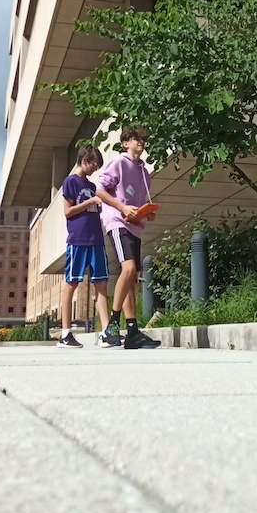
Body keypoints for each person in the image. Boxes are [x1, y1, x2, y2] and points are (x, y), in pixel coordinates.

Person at [96, 127, 161, 349]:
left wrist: (146, 213)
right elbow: (100, 191)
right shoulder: (119, 163)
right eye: (136, 139)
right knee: (129, 268)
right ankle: (112, 326)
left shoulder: (144, 172)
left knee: (131, 277)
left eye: (143, 139)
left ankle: (132, 331)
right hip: (117, 222)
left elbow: (138, 200)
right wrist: (122, 207)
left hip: (134, 227)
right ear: (125, 143)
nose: (141, 142)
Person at [57, 145, 114, 349]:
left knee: (101, 283)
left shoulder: (92, 185)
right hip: (78, 239)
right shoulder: (70, 181)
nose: (95, 169)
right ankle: (65, 333)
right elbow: (68, 211)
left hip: (96, 239)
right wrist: (90, 201)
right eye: (93, 164)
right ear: (84, 161)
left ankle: (106, 332)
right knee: (72, 282)